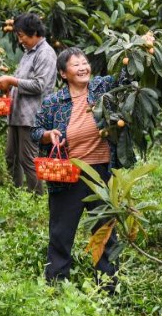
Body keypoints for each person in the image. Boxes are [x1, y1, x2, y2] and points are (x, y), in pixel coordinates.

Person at [31, 47, 126, 290]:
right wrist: (47, 134)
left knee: (104, 232)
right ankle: (55, 285)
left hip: (101, 173)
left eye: (85, 63)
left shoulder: (102, 88)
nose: (83, 67)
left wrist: (133, 51)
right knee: (61, 234)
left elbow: (127, 78)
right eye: (76, 65)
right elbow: (35, 130)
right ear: (63, 73)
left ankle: (107, 287)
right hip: (67, 175)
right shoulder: (53, 102)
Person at [0, 13, 57, 195]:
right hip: (17, 113)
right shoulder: (29, 53)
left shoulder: (45, 53)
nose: (19, 40)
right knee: (11, 157)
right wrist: (6, 87)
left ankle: (36, 197)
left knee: (28, 159)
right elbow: (20, 82)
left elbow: (39, 85)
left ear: (35, 32)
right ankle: (16, 194)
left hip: (32, 116)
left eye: (21, 35)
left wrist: (11, 80)